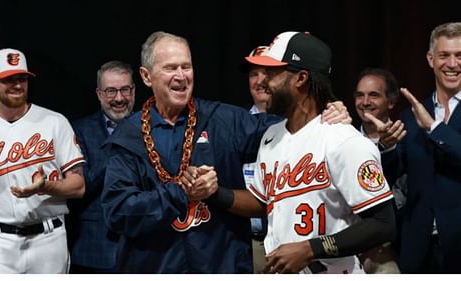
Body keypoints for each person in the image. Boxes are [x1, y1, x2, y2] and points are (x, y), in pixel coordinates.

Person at [100, 31, 350, 273]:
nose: (181, 76)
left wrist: (323, 112)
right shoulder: (128, 137)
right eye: (170, 68)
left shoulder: (222, 120)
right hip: (155, 267)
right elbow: (118, 212)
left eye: (186, 67)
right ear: (146, 76)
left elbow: (285, 128)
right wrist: (180, 192)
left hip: (222, 265)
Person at [182, 31, 397, 274]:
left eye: (272, 73)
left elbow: (383, 224)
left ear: (301, 78)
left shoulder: (343, 140)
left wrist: (311, 248)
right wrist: (212, 192)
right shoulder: (272, 136)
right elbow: (262, 201)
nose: (263, 82)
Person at [0, 48, 85, 273]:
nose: (17, 85)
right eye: (8, 80)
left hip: (49, 239)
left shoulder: (55, 122)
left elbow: (78, 187)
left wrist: (47, 186)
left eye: (22, 78)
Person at [374, 22, 461, 273]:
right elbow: (390, 179)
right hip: (417, 248)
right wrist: (387, 148)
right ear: (430, 59)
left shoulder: (424, 119)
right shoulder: (410, 116)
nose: (452, 64)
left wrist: (434, 128)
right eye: (444, 55)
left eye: (459, 56)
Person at [67, 60, 136, 273]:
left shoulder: (151, 126)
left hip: (142, 247)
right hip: (94, 249)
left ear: (133, 91)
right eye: (110, 91)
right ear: (98, 94)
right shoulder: (78, 130)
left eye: (125, 90)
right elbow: (81, 186)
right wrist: (121, 142)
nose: (119, 98)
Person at [352, 67, 405, 273]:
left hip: (387, 247)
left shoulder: (406, 140)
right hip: (343, 242)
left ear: (390, 102)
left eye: (374, 95)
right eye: (359, 95)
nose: (365, 102)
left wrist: (386, 148)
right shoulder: (343, 139)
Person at [241, 45, 270, 273]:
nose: (260, 80)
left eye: (266, 73)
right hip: (246, 242)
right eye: (253, 74)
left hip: (290, 242)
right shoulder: (234, 125)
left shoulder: (302, 125)